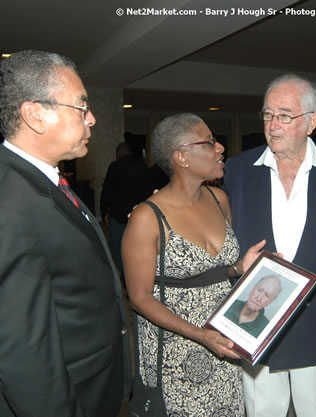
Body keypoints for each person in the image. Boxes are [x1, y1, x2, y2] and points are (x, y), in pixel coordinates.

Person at [0, 50, 130, 417]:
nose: (92, 119)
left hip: (91, 382)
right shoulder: (2, 211)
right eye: (81, 107)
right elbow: (26, 358)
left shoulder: (41, 180)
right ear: (35, 115)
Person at [224, 74, 316, 417]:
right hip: (257, 320)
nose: (273, 125)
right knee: (262, 411)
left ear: (312, 122)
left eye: (284, 115)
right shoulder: (240, 170)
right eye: (268, 114)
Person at [122, 113, 266, 416]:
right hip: (176, 352)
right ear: (181, 157)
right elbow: (138, 298)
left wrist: (239, 267)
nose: (220, 149)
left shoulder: (219, 199)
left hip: (224, 342)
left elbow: (215, 273)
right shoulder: (147, 218)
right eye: (209, 142)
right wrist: (201, 335)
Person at [100, 141, 149, 279]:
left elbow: (107, 191)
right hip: (138, 215)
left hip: (118, 215)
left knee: (116, 247)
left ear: (118, 153)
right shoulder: (142, 166)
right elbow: (147, 191)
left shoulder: (115, 167)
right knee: (139, 248)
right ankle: (139, 276)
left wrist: (105, 211)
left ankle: (127, 276)